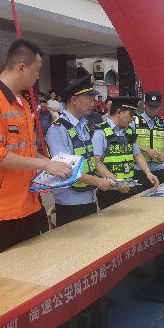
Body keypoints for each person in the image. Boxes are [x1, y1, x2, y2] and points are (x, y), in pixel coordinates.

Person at [0, 38, 71, 328]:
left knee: (32, 276)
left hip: (28, 205)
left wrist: (48, 168)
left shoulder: (22, 104)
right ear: (22, 67)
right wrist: (44, 164)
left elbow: (25, 153)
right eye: (37, 70)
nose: (38, 77)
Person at [46, 75, 115, 225]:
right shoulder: (58, 129)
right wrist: (98, 181)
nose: (93, 102)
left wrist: (114, 180)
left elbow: (94, 161)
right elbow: (65, 170)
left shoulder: (84, 126)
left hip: (90, 198)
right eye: (89, 98)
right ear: (74, 100)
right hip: (70, 205)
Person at [92, 96, 159, 209]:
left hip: (129, 186)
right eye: (130, 115)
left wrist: (148, 173)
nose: (132, 119)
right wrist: (117, 182)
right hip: (109, 191)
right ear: (119, 112)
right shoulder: (100, 132)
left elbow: (137, 155)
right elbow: (96, 162)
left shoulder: (129, 132)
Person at [134, 91, 164, 191]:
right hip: (139, 169)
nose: (152, 109)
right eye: (150, 106)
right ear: (144, 105)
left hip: (158, 168)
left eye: (156, 106)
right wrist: (146, 149)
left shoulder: (162, 122)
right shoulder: (135, 121)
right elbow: (129, 142)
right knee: (139, 198)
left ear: (160, 107)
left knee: (159, 197)